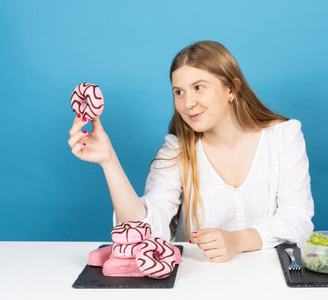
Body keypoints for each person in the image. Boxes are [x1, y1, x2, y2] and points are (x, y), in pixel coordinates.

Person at [68, 40, 314, 263]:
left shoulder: (284, 136)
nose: (187, 103)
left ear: (232, 89)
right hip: (201, 281)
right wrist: (109, 161)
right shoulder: (176, 151)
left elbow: (298, 220)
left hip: (272, 280)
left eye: (199, 87)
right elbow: (144, 229)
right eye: (179, 92)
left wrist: (237, 241)